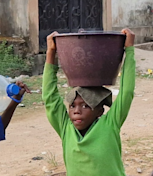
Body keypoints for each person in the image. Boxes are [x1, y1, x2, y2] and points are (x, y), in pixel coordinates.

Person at [42, 29, 137, 176]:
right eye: (72, 106)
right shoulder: (66, 128)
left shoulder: (110, 125)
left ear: (100, 111)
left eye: (85, 106)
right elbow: (50, 98)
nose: (76, 111)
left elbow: (126, 92)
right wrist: (51, 53)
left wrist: (129, 50)